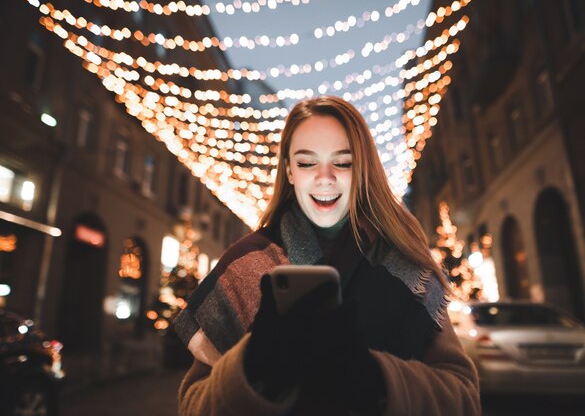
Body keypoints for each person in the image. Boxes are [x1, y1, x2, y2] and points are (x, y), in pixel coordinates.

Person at [174, 96, 480, 416]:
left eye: (342, 162)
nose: (325, 177)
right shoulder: (242, 265)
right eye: (307, 163)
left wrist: (378, 379)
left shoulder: (407, 265)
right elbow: (192, 405)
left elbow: (464, 397)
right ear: (289, 171)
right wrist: (250, 370)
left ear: (360, 169)